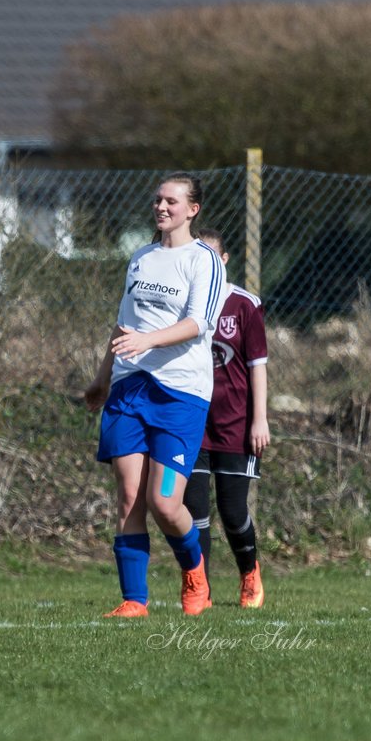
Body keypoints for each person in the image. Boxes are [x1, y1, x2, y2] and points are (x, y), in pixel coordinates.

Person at [83, 172, 228, 618]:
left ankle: (194, 571)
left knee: (165, 503)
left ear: (192, 209)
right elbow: (124, 324)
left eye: (171, 201)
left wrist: (149, 341)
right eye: (158, 201)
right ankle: (134, 600)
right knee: (129, 497)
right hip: (129, 389)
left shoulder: (204, 260)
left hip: (180, 396)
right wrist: (103, 375)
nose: (161, 207)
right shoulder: (141, 257)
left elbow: (197, 324)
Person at [181, 229, 270, 608]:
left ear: (226, 259)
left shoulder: (244, 304)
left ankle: (250, 573)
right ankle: (200, 590)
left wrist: (259, 420)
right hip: (193, 422)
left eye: (212, 256)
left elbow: (257, 366)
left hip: (236, 425)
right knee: (195, 512)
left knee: (233, 513)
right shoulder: (183, 302)